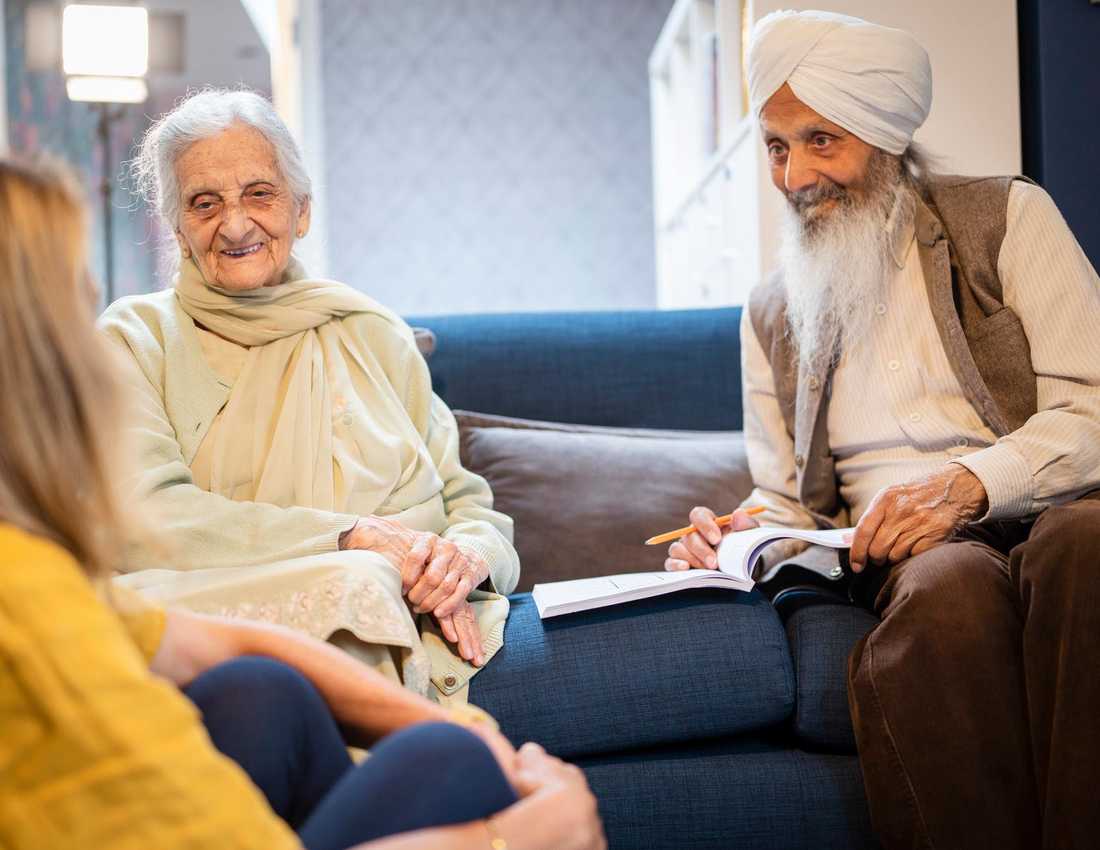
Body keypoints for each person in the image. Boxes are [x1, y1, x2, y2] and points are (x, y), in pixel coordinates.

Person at [0, 155, 605, 850]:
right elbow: (152, 518)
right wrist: (502, 840)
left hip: (399, 613)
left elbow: (468, 502)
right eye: (204, 203)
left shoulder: (373, 332)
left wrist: (461, 559)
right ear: (175, 226)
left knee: (261, 690)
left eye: (259, 194)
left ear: (302, 210)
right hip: (308, 593)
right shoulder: (138, 338)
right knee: (432, 729)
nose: (235, 224)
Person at [665, 10, 1100, 850]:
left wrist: (970, 485)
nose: (794, 176)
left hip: (1050, 502)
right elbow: (786, 502)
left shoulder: (1009, 218)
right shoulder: (770, 312)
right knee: (948, 589)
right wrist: (734, 537)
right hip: (902, 552)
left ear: (884, 135)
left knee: (1086, 543)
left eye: (821, 141)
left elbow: (1093, 407)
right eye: (777, 147)